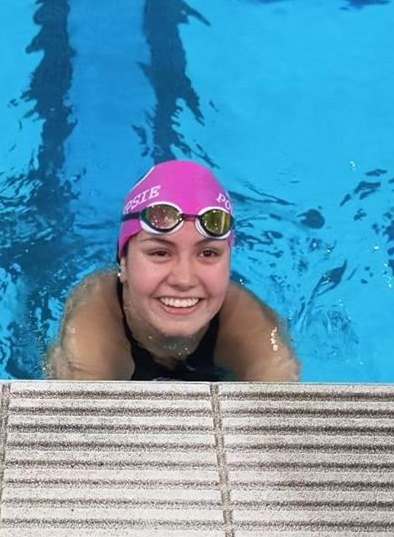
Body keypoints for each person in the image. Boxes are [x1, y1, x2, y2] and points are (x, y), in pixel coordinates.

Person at [44, 160, 300, 382]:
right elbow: (84, 427)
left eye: (208, 253)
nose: (184, 279)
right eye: (160, 253)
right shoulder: (91, 327)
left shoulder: (255, 328)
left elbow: (279, 421)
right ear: (123, 261)